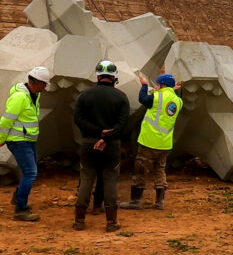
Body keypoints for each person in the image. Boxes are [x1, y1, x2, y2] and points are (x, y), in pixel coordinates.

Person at [72, 60, 130, 232]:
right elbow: (123, 123)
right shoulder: (121, 97)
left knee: (86, 178)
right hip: (111, 146)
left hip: (89, 144)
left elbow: (78, 119)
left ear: (97, 76)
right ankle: (111, 222)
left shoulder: (85, 95)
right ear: (114, 77)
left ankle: (79, 220)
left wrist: (97, 132)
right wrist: (106, 137)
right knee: (110, 180)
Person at [0, 66, 51, 222]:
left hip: (28, 140)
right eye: (44, 84)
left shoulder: (33, 95)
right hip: (18, 141)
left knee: (31, 171)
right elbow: (6, 120)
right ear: (37, 82)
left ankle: (18, 197)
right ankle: (20, 209)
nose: (45, 87)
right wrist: (1, 139)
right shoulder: (20, 97)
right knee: (30, 173)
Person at [121, 73, 183, 210]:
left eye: (158, 84)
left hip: (149, 141)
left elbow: (142, 99)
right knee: (160, 170)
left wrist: (144, 85)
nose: (156, 87)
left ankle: (135, 201)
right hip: (165, 143)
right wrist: (175, 90)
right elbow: (173, 98)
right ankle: (160, 202)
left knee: (141, 170)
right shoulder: (178, 101)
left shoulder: (157, 97)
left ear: (163, 85)